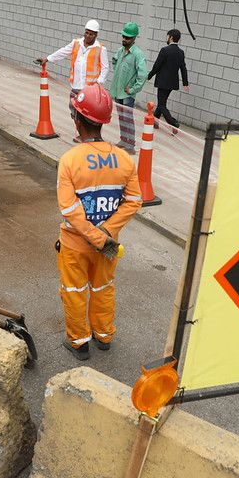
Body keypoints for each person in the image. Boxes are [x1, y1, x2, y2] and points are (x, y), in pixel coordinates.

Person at [55, 84, 142, 360]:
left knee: (74, 290)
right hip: (108, 246)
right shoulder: (125, 160)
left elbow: (69, 208)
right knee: (103, 288)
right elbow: (134, 201)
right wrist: (107, 233)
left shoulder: (69, 161)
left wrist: (95, 235)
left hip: (76, 244)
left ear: (78, 120)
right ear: (104, 122)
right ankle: (103, 336)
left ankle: (79, 342)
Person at [36, 20, 109, 142]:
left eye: (91, 34)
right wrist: (47, 59)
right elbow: (63, 52)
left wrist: (99, 83)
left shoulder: (100, 49)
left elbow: (105, 68)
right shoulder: (76, 43)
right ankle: (81, 134)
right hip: (76, 85)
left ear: (96, 35)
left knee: (89, 115)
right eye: (86, 33)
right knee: (74, 111)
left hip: (90, 89)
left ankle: (91, 136)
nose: (88, 36)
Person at [109, 22, 148, 155]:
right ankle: (123, 140)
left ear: (134, 38)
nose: (124, 39)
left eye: (128, 38)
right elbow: (114, 61)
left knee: (127, 117)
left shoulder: (138, 54)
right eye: (124, 37)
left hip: (127, 94)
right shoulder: (120, 51)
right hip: (118, 91)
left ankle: (130, 144)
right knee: (121, 117)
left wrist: (132, 89)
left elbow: (143, 75)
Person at [147, 29, 190, 131]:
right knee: (162, 103)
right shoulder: (180, 52)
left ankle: (173, 123)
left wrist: (149, 76)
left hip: (162, 82)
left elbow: (157, 65)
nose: (167, 38)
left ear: (170, 37)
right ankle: (154, 123)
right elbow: (183, 68)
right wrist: (185, 83)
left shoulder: (164, 50)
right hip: (172, 83)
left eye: (167, 36)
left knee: (162, 105)